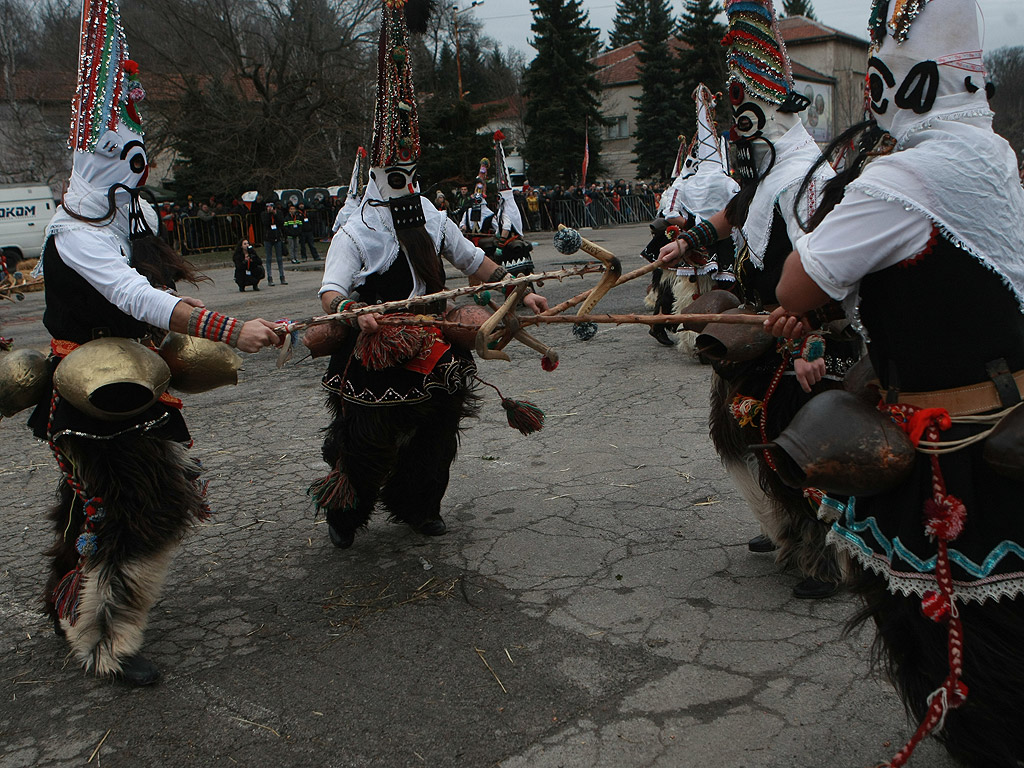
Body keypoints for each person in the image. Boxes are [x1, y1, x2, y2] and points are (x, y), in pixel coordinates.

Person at [765, 0, 1024, 764]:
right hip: (1009, 412)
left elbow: (792, 285)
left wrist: (809, 294)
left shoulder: (901, 180)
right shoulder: (995, 156)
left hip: (954, 446)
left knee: (961, 639)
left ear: (893, 85)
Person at [25, 3, 280, 686]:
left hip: (133, 379)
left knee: (91, 503)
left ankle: (64, 596)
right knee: (143, 505)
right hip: (92, 390)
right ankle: (105, 642)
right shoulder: (77, 234)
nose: (141, 177)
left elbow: (149, 285)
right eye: (133, 166)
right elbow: (134, 295)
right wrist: (232, 329)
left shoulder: (113, 214)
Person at [313, 0, 548, 551]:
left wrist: (519, 291)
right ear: (378, 174)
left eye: (411, 174)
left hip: (435, 340)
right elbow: (330, 293)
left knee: (438, 431)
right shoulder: (356, 230)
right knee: (366, 442)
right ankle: (345, 510)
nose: (406, 184)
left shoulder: (430, 215)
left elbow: (474, 262)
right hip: (375, 346)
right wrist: (353, 313)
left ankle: (420, 505)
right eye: (398, 175)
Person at [659, 0, 857, 599]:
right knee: (736, 431)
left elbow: (827, 274)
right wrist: (689, 242)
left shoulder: (806, 177)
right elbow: (736, 211)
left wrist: (812, 342)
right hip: (763, 329)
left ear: (759, 116)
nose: (733, 137)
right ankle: (781, 526)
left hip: (807, 339)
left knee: (798, 444)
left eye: (739, 120)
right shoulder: (769, 167)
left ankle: (829, 558)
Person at [261, 202, 287, 285]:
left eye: (271, 207)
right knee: (269, 258)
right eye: (268, 207)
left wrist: (275, 215)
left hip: (277, 237)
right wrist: (269, 214)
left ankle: (282, 276)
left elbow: (281, 222)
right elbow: (265, 223)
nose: (270, 208)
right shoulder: (264, 214)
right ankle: (269, 277)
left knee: (279, 258)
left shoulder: (278, 213)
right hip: (268, 238)